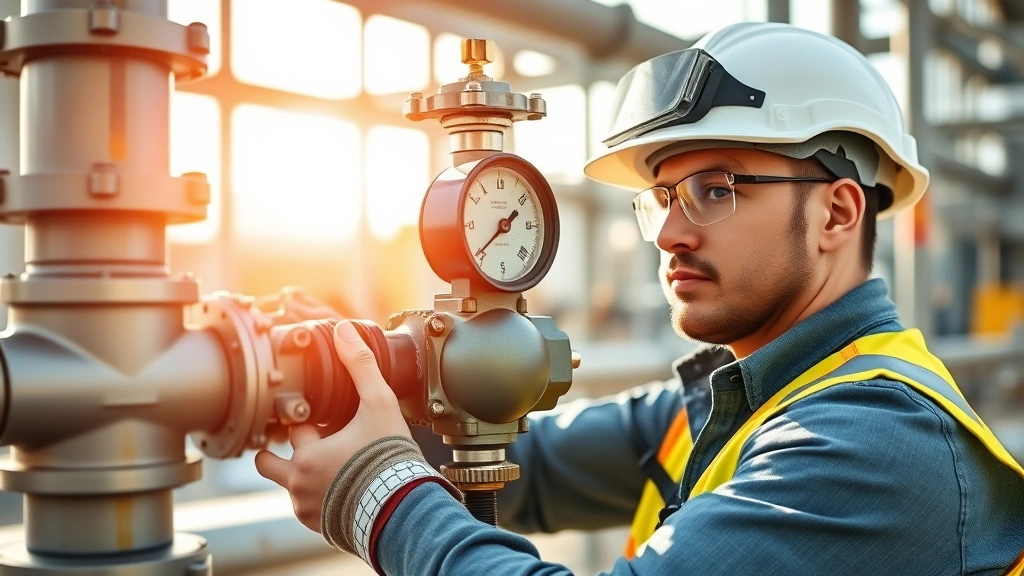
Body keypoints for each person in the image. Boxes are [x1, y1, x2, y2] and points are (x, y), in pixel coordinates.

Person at [254, 22, 1024, 575]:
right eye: (661, 197)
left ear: (838, 212)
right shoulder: (736, 402)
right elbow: (532, 469)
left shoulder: (876, 445)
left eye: (715, 190)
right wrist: (340, 375)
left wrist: (378, 495)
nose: (668, 235)